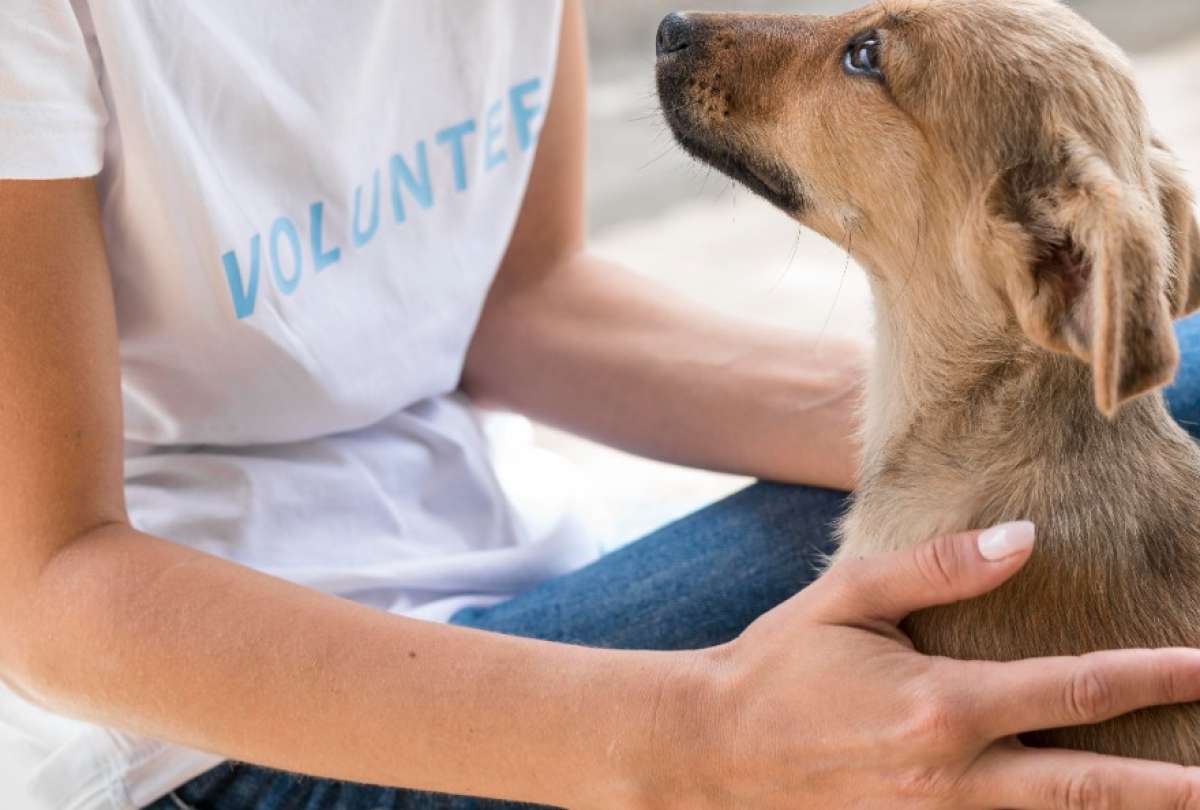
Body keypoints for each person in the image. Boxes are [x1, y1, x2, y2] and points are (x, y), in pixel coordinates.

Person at [2, 2, 1200, 808]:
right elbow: (44, 592)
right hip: (221, 736)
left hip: (526, 578)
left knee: (1170, 380)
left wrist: (982, 411)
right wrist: (710, 735)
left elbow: (517, 300)